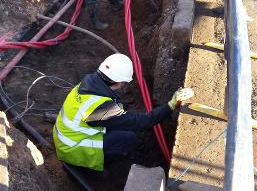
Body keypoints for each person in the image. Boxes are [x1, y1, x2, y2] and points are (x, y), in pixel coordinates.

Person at [53, 54, 194, 172]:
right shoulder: (100, 109)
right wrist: (170, 105)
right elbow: (143, 122)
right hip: (73, 151)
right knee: (128, 139)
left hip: (66, 137)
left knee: (119, 125)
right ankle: (98, 170)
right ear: (119, 83)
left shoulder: (88, 83)